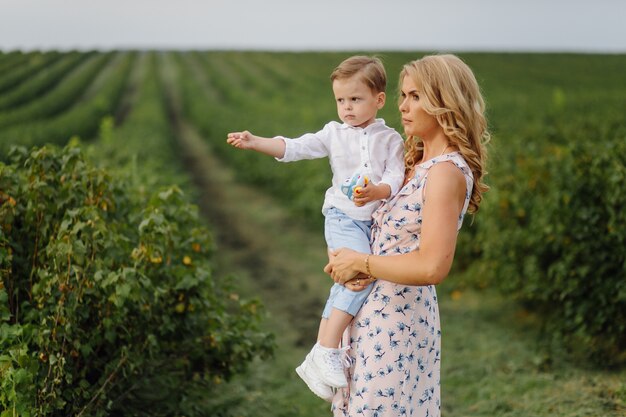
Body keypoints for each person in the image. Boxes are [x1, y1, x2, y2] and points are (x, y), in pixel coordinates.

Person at [226, 56, 405, 401]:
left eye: (355, 99)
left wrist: (379, 191)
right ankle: (326, 349)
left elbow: (396, 176)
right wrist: (255, 141)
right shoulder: (333, 134)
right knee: (358, 276)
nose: (347, 108)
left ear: (378, 100)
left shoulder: (390, 139)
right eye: (341, 100)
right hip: (342, 216)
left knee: (347, 281)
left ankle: (320, 355)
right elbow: (295, 147)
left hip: (372, 223)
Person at [323, 54, 489, 416]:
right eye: (402, 95)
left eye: (415, 96)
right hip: (368, 317)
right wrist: (344, 256)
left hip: (399, 326)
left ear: (444, 101)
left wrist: (361, 261)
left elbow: (432, 266)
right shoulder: (411, 164)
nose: (402, 105)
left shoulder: (445, 173)